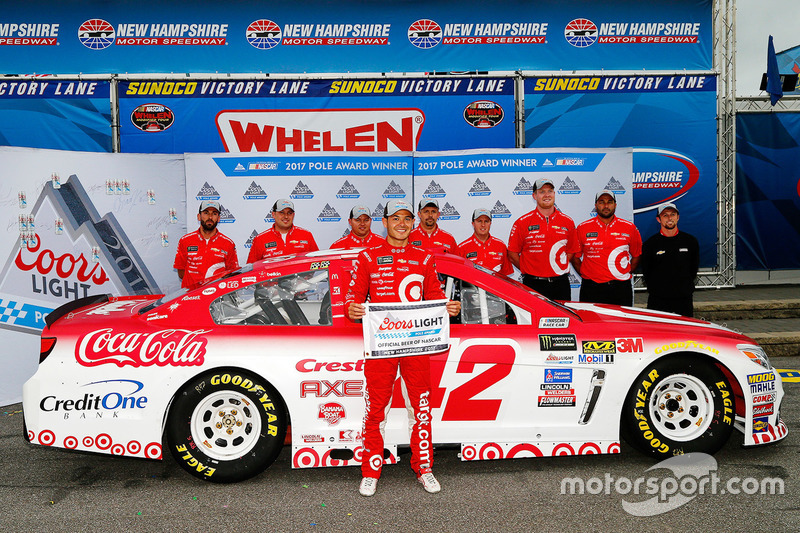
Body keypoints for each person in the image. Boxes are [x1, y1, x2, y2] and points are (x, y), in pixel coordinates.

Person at [345, 199, 460, 497]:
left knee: (420, 409)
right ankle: (371, 471)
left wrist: (448, 307)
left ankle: (424, 468)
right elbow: (352, 298)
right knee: (375, 411)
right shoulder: (367, 256)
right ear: (384, 222)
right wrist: (352, 309)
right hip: (381, 347)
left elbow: (434, 296)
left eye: (407, 218)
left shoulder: (424, 258)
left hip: (416, 346)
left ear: (413, 222)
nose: (401, 223)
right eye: (395, 218)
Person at [507, 178, 579, 300]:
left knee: (563, 318)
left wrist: (556, 267)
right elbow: (512, 254)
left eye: (550, 191)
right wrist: (529, 270)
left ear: (554, 194)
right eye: (542, 191)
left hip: (561, 284)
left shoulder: (568, 221)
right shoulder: (522, 223)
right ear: (534, 196)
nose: (547, 195)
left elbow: (572, 251)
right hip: (533, 284)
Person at [571, 190, 642, 306]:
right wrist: (587, 275)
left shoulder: (629, 228)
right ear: (596, 205)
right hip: (591, 288)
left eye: (609, 202)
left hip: (620, 288)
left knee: (620, 323)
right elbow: (574, 257)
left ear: (615, 205)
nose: (606, 206)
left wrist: (622, 273)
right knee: (592, 323)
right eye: (601, 202)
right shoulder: (583, 228)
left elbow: (636, 255)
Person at [640, 203, 700, 317]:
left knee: (685, 332)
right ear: (658, 219)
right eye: (665, 215)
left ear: (678, 217)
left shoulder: (690, 241)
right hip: (658, 300)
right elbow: (647, 272)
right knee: (658, 333)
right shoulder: (650, 244)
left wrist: (683, 288)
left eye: (673, 214)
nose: (669, 218)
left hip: (683, 299)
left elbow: (693, 269)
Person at [173, 200, 239, 290]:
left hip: (216, 296)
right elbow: (181, 272)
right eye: (206, 213)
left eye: (214, 214)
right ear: (199, 216)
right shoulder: (185, 241)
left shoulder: (228, 244)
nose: (210, 217)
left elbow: (232, 274)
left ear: (219, 218)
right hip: (191, 296)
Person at [247, 198, 318, 263]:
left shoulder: (306, 235)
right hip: (272, 277)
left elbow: (317, 262)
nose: (286, 216)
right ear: (273, 214)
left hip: (301, 277)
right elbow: (251, 269)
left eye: (289, 213)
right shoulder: (260, 239)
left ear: (293, 215)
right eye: (282, 212)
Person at [456, 208, 513, 275]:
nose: (483, 225)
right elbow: (457, 274)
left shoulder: (501, 246)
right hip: (472, 285)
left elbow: (506, 275)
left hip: (495, 285)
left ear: (490, 223)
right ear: (473, 224)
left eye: (486, 221)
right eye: (479, 221)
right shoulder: (462, 248)